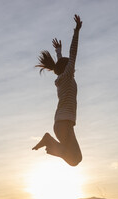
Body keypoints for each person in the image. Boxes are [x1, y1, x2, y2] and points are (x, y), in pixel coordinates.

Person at [32, 14, 83, 167]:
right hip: (64, 123)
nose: (72, 67)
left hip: (63, 124)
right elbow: (73, 53)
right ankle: (50, 142)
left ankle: (51, 144)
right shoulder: (66, 76)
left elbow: (60, 65)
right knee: (75, 159)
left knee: (75, 159)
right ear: (67, 68)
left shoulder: (63, 78)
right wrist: (77, 31)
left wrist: (58, 52)